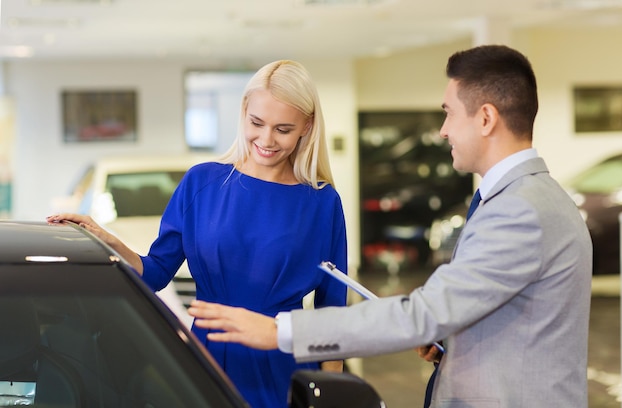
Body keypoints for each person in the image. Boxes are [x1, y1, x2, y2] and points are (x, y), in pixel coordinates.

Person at [187, 44, 593, 408]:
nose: (443, 130)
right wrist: (452, 343)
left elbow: (424, 312)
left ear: (485, 118)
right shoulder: (518, 200)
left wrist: (281, 331)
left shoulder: (521, 210)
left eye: (449, 113)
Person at [47, 59, 349, 408]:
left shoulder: (322, 203)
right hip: (205, 358)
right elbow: (156, 272)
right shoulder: (201, 183)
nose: (266, 139)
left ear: (306, 127)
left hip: (282, 363)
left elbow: (333, 314)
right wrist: (109, 242)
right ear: (244, 113)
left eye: (282, 129)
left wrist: (333, 397)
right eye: (256, 123)